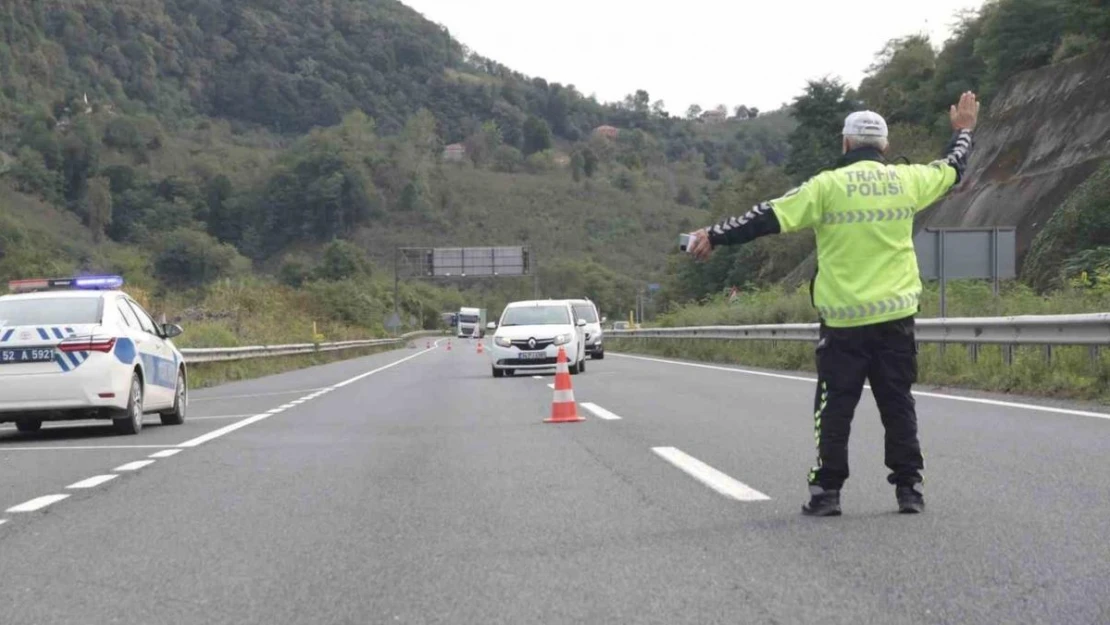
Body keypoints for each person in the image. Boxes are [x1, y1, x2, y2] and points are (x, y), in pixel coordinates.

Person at [686, 92, 980, 516]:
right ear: (885, 147)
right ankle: (909, 490)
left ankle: (827, 493)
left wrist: (714, 233)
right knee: (897, 404)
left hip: (843, 324)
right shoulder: (908, 180)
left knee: (835, 407)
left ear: (845, 144)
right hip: (897, 318)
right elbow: (953, 167)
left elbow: (767, 216)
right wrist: (964, 130)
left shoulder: (826, 186)